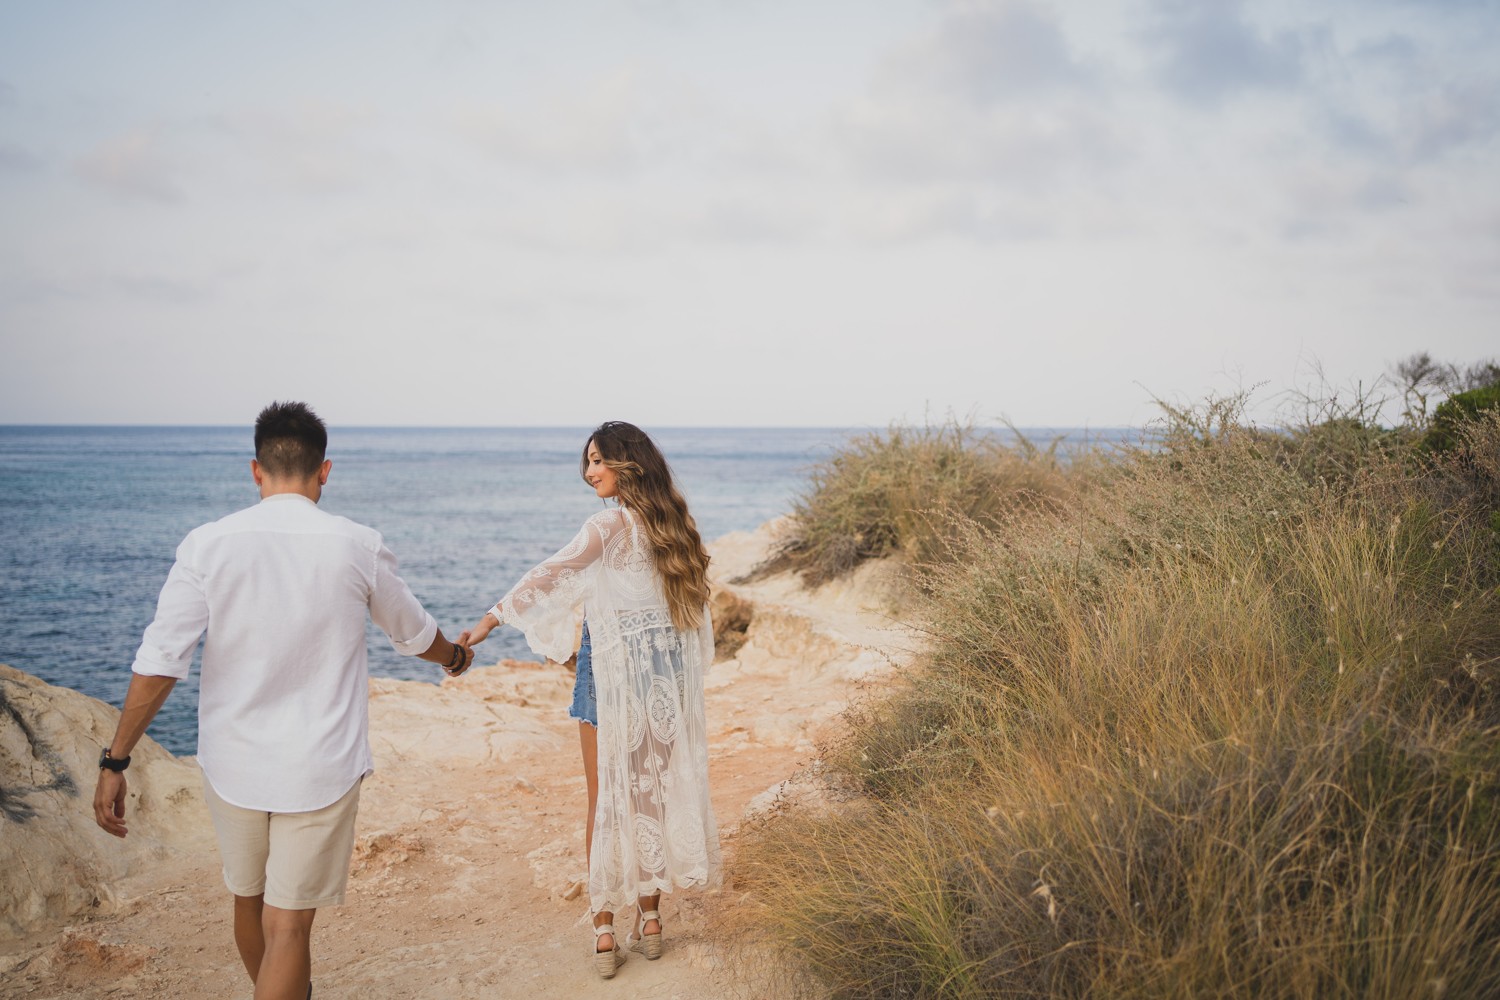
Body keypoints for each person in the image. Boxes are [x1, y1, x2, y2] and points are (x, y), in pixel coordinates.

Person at [91, 401, 472, 1000]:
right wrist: (455, 657)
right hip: (321, 765)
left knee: (248, 901)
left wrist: (116, 760)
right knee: (289, 925)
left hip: (233, 763)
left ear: (256, 470)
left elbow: (161, 662)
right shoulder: (357, 544)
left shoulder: (207, 544)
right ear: (325, 471)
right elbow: (415, 635)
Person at [461, 420, 721, 979]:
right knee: (649, 795)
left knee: (604, 799)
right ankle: (651, 921)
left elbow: (551, 574)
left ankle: (605, 933)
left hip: (608, 676)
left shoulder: (608, 525)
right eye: (588, 461)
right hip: (662, 681)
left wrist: (492, 618)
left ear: (629, 463)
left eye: (599, 460)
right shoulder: (676, 527)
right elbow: (693, 616)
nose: (589, 471)